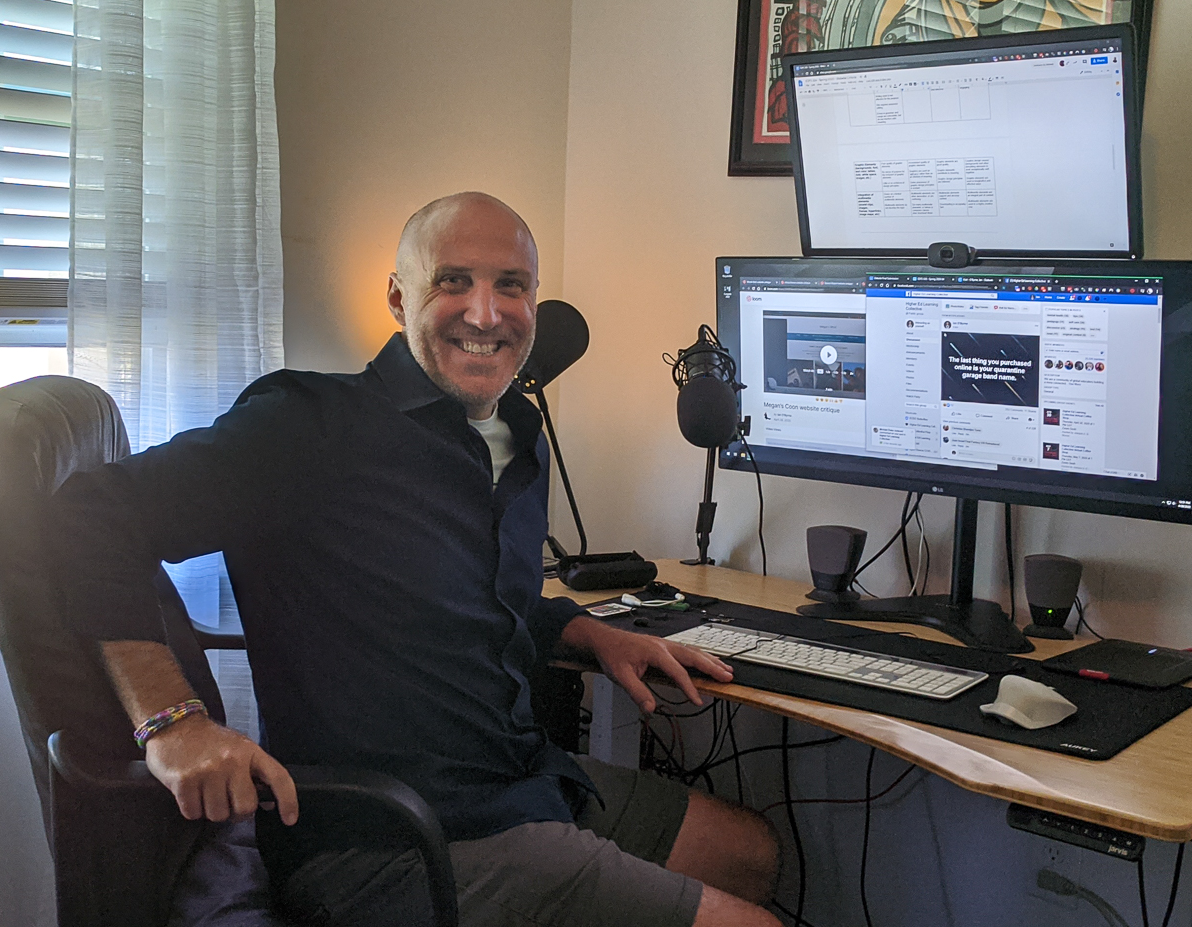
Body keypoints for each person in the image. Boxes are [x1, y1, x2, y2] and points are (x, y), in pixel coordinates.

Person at [53, 192, 783, 927]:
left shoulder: (517, 436)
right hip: (385, 834)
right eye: (452, 281)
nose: (486, 313)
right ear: (399, 297)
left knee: (748, 851)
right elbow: (91, 517)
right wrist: (173, 723)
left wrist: (582, 629)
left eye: (511, 285)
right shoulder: (306, 427)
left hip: (515, 780)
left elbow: (470, 594)